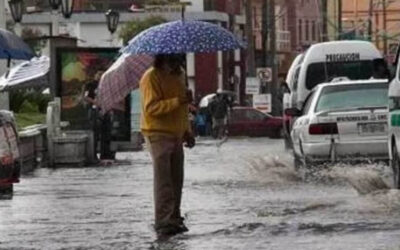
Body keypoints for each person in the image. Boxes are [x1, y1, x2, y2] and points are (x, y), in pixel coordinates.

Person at [139, 53, 195, 236]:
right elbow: (151, 108)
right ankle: (163, 221)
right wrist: (178, 100)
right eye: (173, 60)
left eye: (179, 60)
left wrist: (187, 130)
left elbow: (182, 108)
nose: (177, 64)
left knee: (176, 179)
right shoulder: (151, 77)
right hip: (157, 133)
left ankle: (175, 217)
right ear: (164, 58)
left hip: (177, 133)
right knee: (164, 180)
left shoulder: (180, 74)